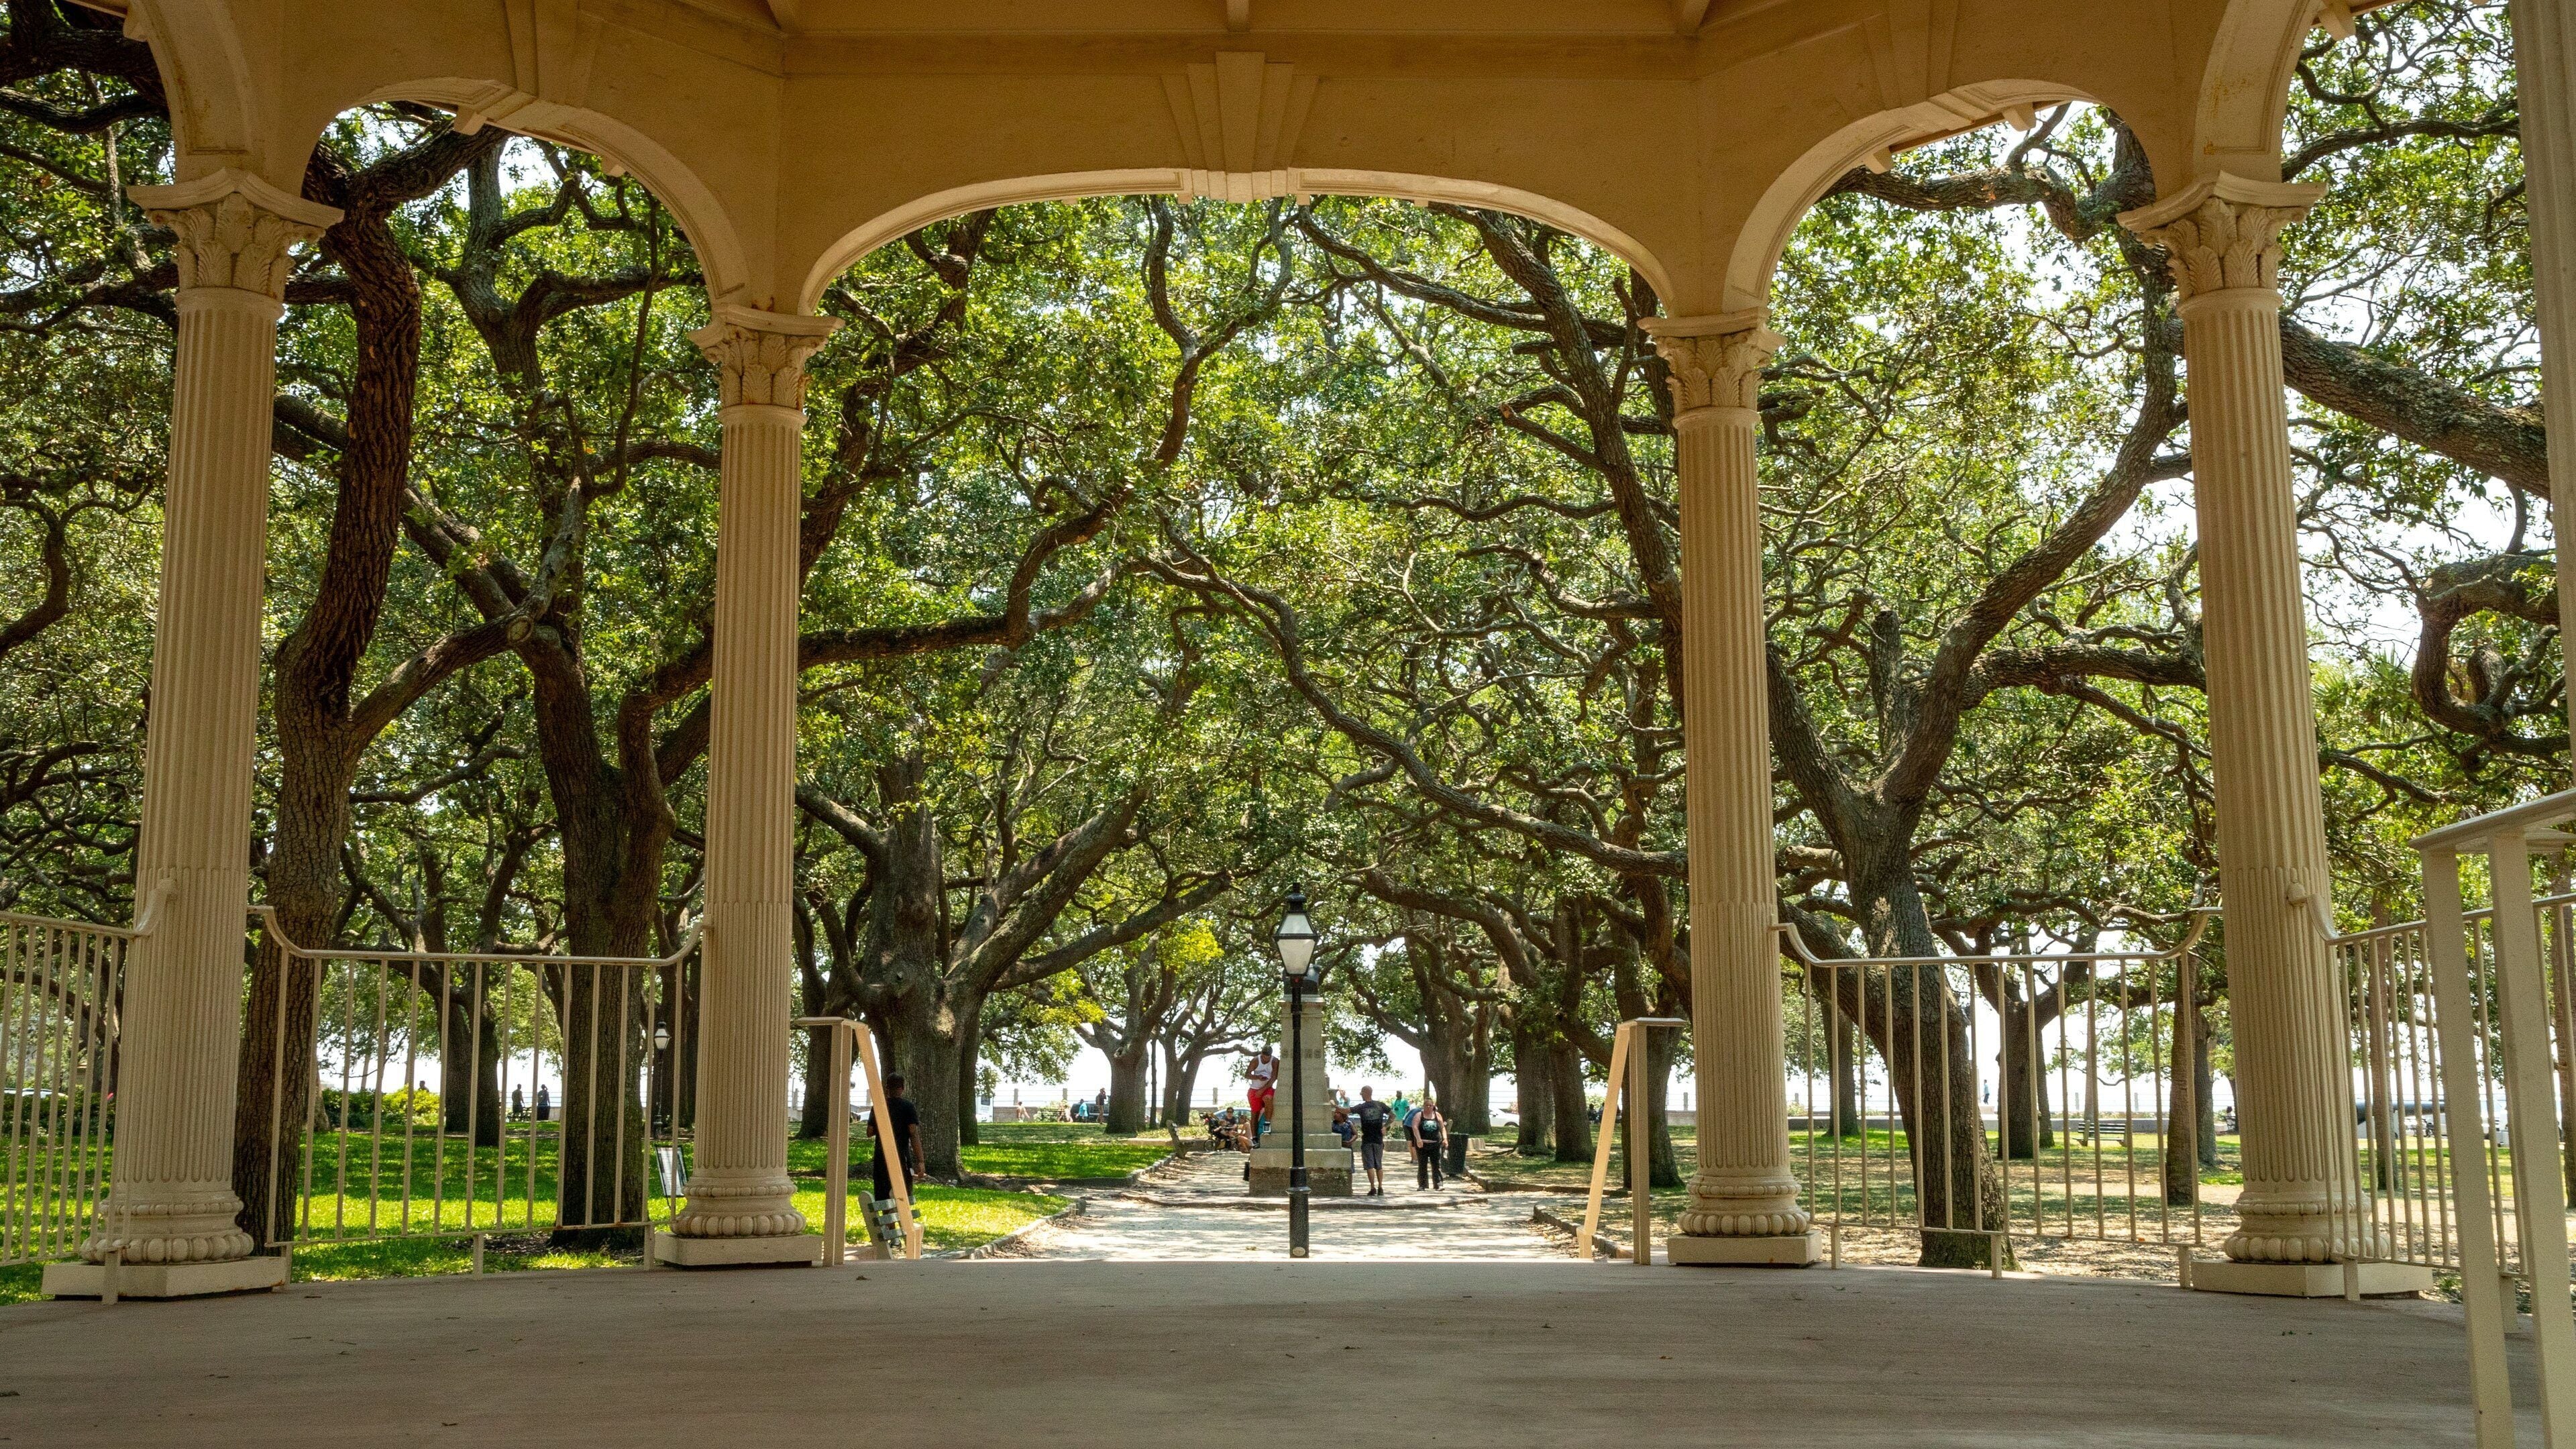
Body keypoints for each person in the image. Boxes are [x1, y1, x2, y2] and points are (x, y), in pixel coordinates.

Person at [869, 1073, 924, 1204]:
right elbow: (913, 1132)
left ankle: (888, 1218)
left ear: (887, 1088)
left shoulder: (878, 1107)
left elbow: (869, 1132)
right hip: (901, 1156)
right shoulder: (908, 1107)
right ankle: (902, 1216)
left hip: (881, 1156)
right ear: (902, 1088)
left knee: (883, 1195)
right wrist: (921, 1160)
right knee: (904, 1194)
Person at [1352, 1085, 1393, 1196]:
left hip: (1367, 1139)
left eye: (1362, 1093)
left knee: (1369, 1165)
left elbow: (1347, 1110)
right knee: (1379, 1164)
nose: (1361, 1095)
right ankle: (1380, 1187)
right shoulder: (1380, 1105)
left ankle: (1373, 1187)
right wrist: (1385, 1126)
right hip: (1378, 1139)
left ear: (1365, 1093)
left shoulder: (1362, 1107)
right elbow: (1393, 1115)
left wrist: (1335, 1106)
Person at [1411, 1101, 1448, 1189]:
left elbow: (1442, 1127)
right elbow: (1415, 1127)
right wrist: (1418, 1139)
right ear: (1423, 1106)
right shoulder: (1419, 1115)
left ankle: (1438, 1184)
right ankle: (1422, 1185)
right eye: (1426, 1105)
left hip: (1435, 1144)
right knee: (1422, 1165)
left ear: (1433, 1106)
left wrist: (1445, 1139)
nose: (1428, 1107)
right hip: (1422, 1145)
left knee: (1436, 1165)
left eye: (1430, 1105)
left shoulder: (1437, 1115)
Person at [1246, 1047, 1279, 1144]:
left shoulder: (1275, 1061)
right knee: (1255, 1113)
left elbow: (1274, 1078)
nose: (1265, 1059)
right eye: (1264, 1057)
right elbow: (1247, 1074)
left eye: (1268, 1057)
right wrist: (1257, 1077)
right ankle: (1254, 1138)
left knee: (1268, 1098)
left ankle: (1267, 1123)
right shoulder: (1256, 1060)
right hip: (1254, 1088)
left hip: (1267, 1087)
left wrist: (1262, 1090)